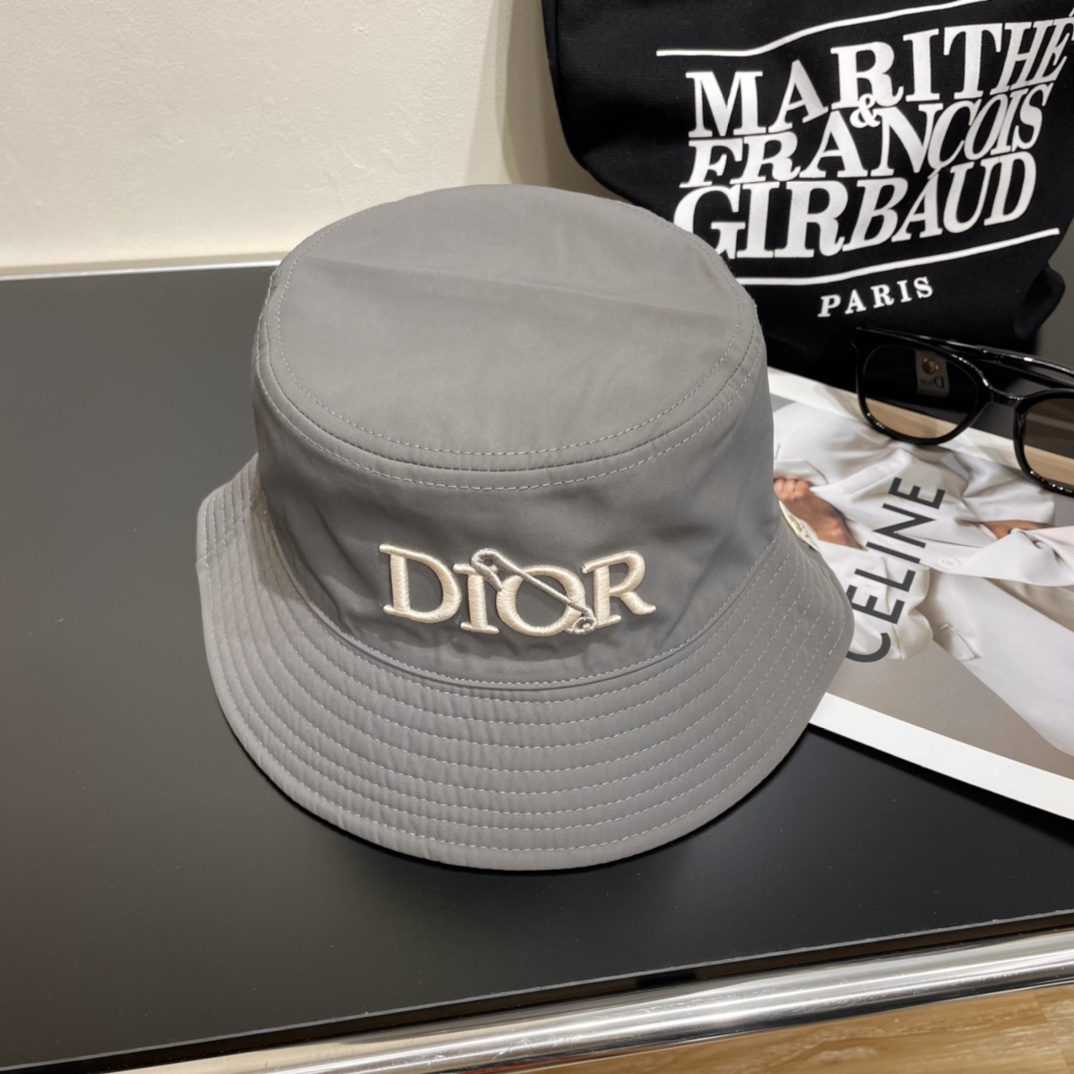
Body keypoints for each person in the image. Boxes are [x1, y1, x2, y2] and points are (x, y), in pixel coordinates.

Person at [773, 390, 1074, 755]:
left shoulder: (806, 428)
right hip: (1014, 642)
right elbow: (885, 637)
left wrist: (1010, 510)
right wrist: (831, 534)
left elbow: (966, 440)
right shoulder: (770, 533)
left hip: (1032, 570)